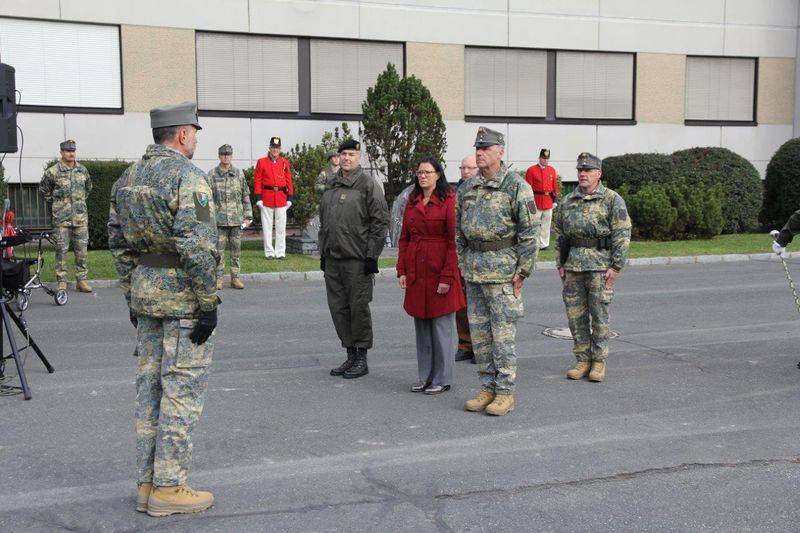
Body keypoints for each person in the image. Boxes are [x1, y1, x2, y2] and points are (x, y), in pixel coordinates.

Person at [108, 102, 220, 517]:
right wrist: (208, 303)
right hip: (183, 299)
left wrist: (130, 294)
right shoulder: (190, 177)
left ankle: (147, 483)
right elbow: (199, 244)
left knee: (149, 390)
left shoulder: (127, 178)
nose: (195, 139)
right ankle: (170, 487)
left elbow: (118, 244)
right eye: (194, 132)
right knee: (181, 389)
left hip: (146, 295)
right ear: (183, 134)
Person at [457, 127, 539, 416]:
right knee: (480, 337)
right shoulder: (467, 188)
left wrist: (523, 271)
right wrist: (463, 262)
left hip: (503, 274)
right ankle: (487, 388)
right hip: (474, 273)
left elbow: (530, 232)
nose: (480, 153)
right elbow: (459, 232)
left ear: (500, 152)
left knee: (502, 338)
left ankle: (505, 393)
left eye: (486, 148)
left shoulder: (516, 187)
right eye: (478, 148)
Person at [555, 152, 631, 383]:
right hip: (573, 267)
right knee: (575, 317)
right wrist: (560, 263)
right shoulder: (568, 201)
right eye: (580, 171)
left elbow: (622, 233)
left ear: (598, 174)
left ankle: (598, 360)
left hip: (600, 266)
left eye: (588, 171)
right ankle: (582, 359)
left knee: (599, 315)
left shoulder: (611, 199)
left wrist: (616, 266)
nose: (583, 174)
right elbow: (560, 233)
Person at [319, 139, 389, 379]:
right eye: (343, 154)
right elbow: (324, 221)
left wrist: (372, 256)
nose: (347, 158)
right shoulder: (331, 185)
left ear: (359, 157)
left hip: (357, 260)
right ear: (337, 158)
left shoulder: (368, 185)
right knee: (338, 309)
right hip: (333, 260)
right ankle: (350, 355)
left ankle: (362, 357)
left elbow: (380, 222)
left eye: (351, 154)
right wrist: (323, 251)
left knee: (358, 309)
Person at [397, 158, 464, 395]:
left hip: (439, 270)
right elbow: (404, 238)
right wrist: (402, 270)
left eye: (427, 172)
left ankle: (442, 378)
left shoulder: (449, 200)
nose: (422, 176)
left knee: (441, 327)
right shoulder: (412, 201)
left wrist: (447, 277)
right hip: (417, 271)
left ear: (438, 174)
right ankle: (424, 376)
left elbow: (453, 242)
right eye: (419, 172)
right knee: (422, 327)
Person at [39, 139, 93, 293]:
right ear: (61, 152)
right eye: (68, 151)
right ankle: (62, 281)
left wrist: (78, 203)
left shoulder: (82, 170)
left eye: (73, 151)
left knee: (81, 251)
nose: (71, 153)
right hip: (61, 220)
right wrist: (57, 204)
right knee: (61, 251)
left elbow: (88, 188)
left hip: (80, 218)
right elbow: (43, 190)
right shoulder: (53, 172)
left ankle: (81, 281)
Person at [208, 144, 253, 290]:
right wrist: (204, 219)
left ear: (232, 156)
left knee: (236, 252)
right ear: (219, 156)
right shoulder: (212, 174)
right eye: (223, 154)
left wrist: (248, 216)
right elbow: (203, 197)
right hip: (219, 221)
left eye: (228, 154)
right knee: (218, 253)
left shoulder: (239, 174)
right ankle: (218, 279)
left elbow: (245, 196)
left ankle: (235, 278)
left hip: (236, 220)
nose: (226, 157)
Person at [254, 136, 293, 259]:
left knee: (281, 227)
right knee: (267, 227)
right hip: (267, 197)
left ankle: (280, 252)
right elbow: (258, 180)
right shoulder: (261, 162)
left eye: (277, 148)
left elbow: (289, 180)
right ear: (269, 148)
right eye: (273, 147)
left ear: (280, 149)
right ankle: (269, 252)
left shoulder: (284, 162)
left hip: (281, 198)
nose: (275, 150)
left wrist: (290, 197)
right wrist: (258, 197)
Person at [455, 154, 478, 363]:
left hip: (481, 257)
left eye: (470, 168)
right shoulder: (455, 192)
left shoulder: (484, 191)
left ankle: (480, 346)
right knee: (461, 303)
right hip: (461, 255)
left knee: (479, 305)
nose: (466, 172)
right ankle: (465, 344)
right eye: (463, 168)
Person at [525, 148, 559, 249]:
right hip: (536, 201)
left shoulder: (552, 170)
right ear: (539, 158)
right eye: (543, 158)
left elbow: (555, 186)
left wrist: (555, 200)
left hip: (548, 201)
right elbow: (528, 188)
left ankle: (544, 245)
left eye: (547, 159)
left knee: (546, 225)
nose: (545, 161)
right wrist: (529, 202)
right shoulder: (531, 170)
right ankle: (533, 243)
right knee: (533, 224)